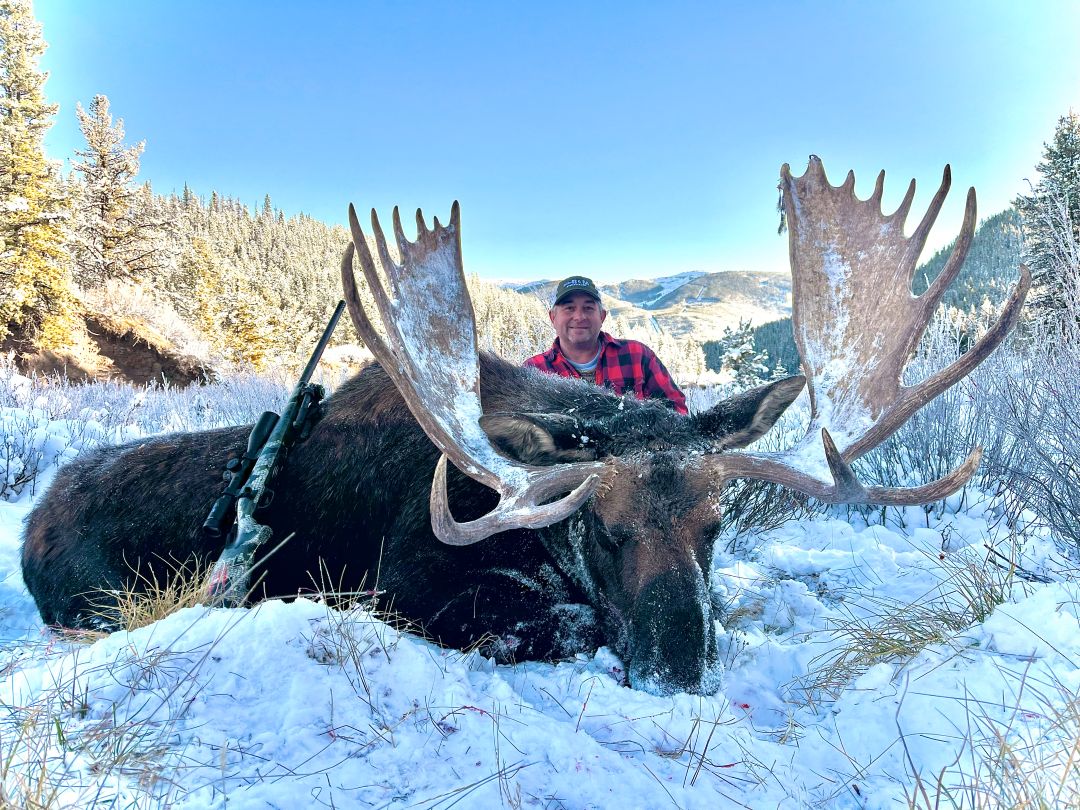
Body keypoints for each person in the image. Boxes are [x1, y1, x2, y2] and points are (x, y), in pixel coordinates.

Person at [524, 276, 688, 415]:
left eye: (588, 308)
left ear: (602, 316)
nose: (579, 316)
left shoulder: (637, 355)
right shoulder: (533, 370)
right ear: (553, 317)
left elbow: (676, 409)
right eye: (569, 308)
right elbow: (519, 431)